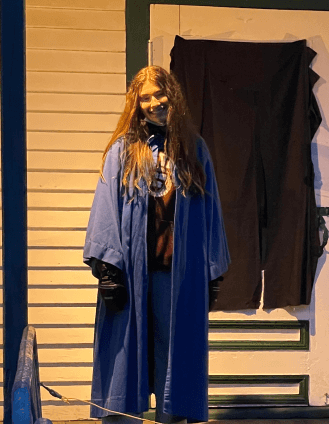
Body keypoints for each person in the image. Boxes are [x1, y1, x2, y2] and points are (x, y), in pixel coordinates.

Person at [83, 65, 230, 424]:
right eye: (145, 97)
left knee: (176, 357)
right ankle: (119, 418)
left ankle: (173, 418)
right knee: (124, 355)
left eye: (159, 94)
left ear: (173, 96)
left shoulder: (194, 151)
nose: (154, 103)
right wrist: (107, 269)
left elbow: (210, 213)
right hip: (132, 276)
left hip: (176, 276)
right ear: (136, 103)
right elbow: (106, 208)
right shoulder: (123, 151)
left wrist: (212, 271)